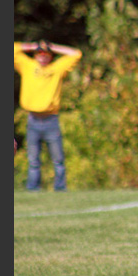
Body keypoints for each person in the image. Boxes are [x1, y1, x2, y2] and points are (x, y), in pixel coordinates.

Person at [14, 39, 82, 191]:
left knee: (58, 159)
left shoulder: (56, 69)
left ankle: (60, 188)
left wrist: (52, 47)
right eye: (40, 53)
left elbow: (76, 54)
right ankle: (33, 189)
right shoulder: (28, 66)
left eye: (46, 54)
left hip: (51, 119)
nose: (43, 56)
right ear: (35, 55)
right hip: (32, 119)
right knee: (33, 160)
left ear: (50, 56)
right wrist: (32, 46)